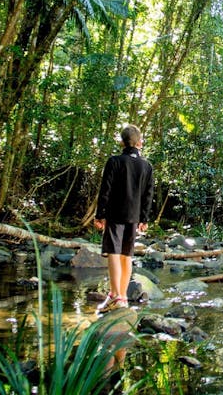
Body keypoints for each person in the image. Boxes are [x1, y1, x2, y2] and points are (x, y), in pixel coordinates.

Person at [94, 124, 154, 313]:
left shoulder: (114, 161)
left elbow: (106, 190)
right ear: (140, 143)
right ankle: (123, 297)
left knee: (113, 251)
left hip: (115, 213)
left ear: (122, 142)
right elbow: (148, 195)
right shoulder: (146, 166)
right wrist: (144, 218)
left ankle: (115, 294)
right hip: (134, 216)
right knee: (126, 255)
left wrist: (100, 214)